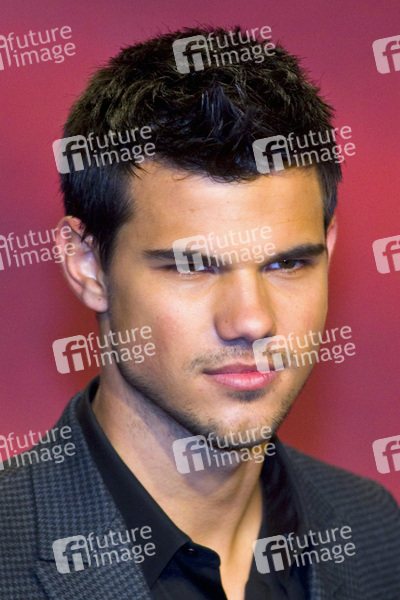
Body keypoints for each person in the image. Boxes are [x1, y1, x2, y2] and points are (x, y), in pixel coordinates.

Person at [1, 26, 399, 600]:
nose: (252, 322)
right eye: (193, 267)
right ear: (87, 265)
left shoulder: (375, 533)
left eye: (287, 263)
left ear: (328, 249)